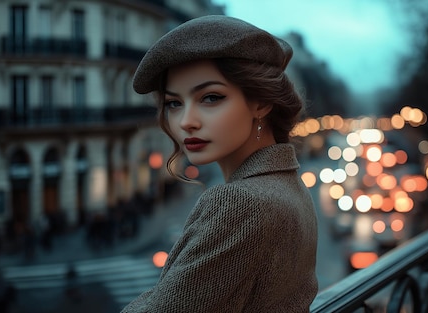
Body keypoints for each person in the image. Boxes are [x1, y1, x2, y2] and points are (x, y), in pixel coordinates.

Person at [121, 15, 319, 312]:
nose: (186, 122)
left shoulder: (239, 202)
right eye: (174, 103)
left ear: (261, 102)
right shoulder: (288, 186)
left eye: (211, 97)